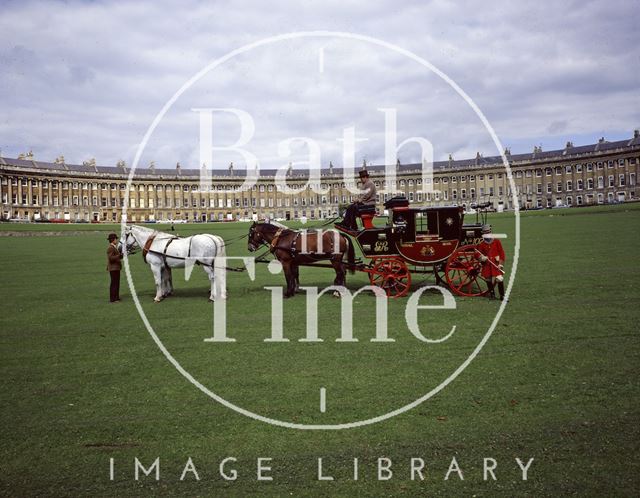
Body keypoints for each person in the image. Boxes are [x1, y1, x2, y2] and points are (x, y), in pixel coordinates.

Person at [476, 225, 506, 300]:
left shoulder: (497, 241)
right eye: (485, 233)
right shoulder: (481, 244)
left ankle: (502, 296)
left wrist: (500, 264)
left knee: (499, 279)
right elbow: (477, 253)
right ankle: (492, 295)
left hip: (496, 264)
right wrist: (481, 257)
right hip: (487, 265)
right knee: (488, 280)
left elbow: (502, 254)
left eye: (488, 232)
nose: (487, 234)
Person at [106, 232, 123, 303]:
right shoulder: (110, 248)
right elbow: (110, 258)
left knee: (116, 283)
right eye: (116, 239)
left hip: (116, 268)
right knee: (114, 283)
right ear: (113, 240)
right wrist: (119, 256)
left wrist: (121, 255)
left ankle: (116, 297)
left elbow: (116, 257)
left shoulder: (114, 247)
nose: (117, 240)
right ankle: (113, 299)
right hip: (113, 268)